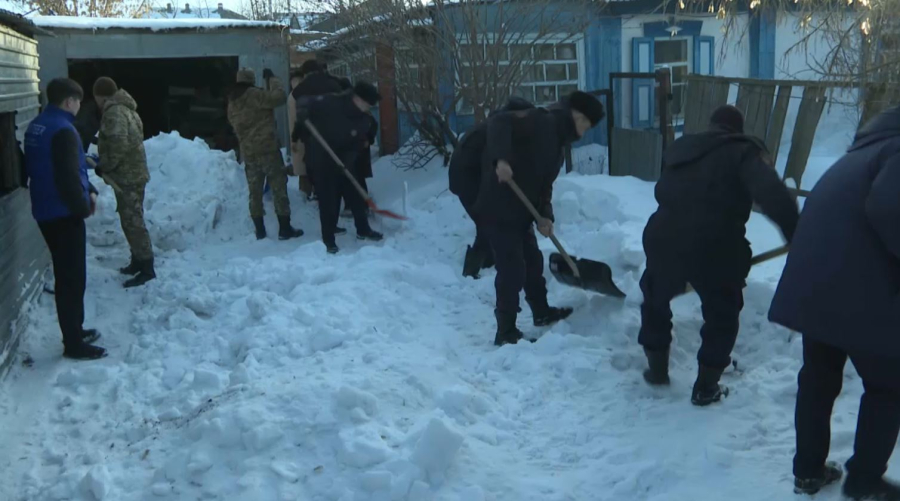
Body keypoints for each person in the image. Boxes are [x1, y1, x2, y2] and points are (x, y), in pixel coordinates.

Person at [769, 106, 900, 500]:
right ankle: (863, 480)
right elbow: (889, 208)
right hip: (861, 291)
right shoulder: (896, 150)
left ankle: (807, 470)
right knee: (888, 386)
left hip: (818, 286)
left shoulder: (857, 156)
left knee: (819, 378)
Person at [638, 105, 799, 406]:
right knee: (722, 313)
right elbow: (772, 193)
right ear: (736, 130)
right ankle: (706, 387)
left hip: (663, 236)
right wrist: (798, 234)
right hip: (715, 244)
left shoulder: (681, 149)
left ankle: (657, 369)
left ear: (711, 127)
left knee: (655, 297)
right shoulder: (742, 151)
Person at [472, 91, 603, 346]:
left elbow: (545, 186)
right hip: (498, 206)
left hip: (520, 210)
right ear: (575, 114)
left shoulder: (557, 144)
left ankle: (541, 312)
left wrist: (545, 215)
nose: (584, 131)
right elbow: (500, 122)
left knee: (533, 261)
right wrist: (501, 160)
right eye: (585, 124)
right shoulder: (542, 121)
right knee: (512, 268)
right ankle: (506, 331)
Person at [23, 78, 106, 360]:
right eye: (78, 101)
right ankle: (73, 343)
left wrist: (89, 187)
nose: (79, 106)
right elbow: (69, 177)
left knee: (66, 274)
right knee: (72, 278)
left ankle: (75, 329)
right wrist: (84, 206)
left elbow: (67, 164)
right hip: (64, 213)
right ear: (69, 101)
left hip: (46, 209)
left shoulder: (38, 125)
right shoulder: (64, 130)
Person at [293, 81, 384, 254]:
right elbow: (304, 101)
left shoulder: (364, 119)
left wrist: (349, 159)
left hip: (345, 160)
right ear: (358, 99)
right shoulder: (331, 102)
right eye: (368, 104)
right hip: (321, 159)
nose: (369, 108)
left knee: (356, 197)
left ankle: (363, 229)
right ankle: (328, 240)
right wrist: (302, 114)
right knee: (329, 201)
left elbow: (359, 142)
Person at [449, 96, 535, 279]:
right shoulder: (497, 131)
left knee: (488, 222)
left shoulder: (496, 125)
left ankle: (488, 260)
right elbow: (491, 165)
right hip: (467, 180)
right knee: (487, 222)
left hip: (465, 177)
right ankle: (471, 271)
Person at [92, 76, 157, 288]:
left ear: (100, 96)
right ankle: (138, 260)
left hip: (127, 177)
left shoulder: (114, 112)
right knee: (131, 218)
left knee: (133, 221)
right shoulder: (129, 110)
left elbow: (118, 143)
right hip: (134, 174)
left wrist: (105, 166)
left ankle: (147, 268)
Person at [227, 68, 303, 241]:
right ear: (251, 80)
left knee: (254, 191)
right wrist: (272, 79)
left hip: (249, 152)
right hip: (267, 149)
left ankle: (259, 231)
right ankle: (284, 229)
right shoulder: (254, 94)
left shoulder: (232, 101)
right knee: (278, 187)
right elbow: (280, 97)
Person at [290, 60, 343, 199]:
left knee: (314, 164)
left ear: (305, 73)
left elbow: (300, 117)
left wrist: (295, 137)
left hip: (312, 135)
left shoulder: (301, 90)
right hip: (334, 133)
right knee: (333, 163)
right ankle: (335, 191)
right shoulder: (334, 84)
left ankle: (320, 192)